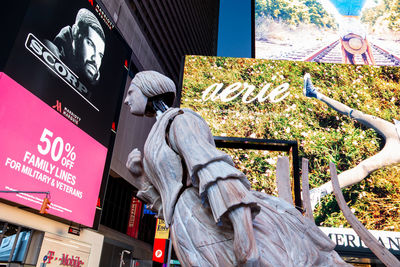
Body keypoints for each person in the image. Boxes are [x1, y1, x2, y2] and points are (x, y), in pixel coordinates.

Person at [125, 70, 350, 266]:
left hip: (210, 222)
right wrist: (140, 176)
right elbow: (167, 205)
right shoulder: (156, 133)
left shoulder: (180, 120)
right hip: (187, 229)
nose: (126, 99)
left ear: (149, 89)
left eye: (131, 92)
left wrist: (244, 234)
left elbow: (213, 170)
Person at [304, 73, 400, 207]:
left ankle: (320, 191)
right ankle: (314, 93)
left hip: (397, 149)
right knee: (357, 114)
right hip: (396, 130)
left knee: (365, 167)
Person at [45, 8, 105, 85]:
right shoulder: (49, 53)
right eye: (90, 43)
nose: (95, 59)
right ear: (75, 32)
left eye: (100, 55)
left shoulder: (91, 78)